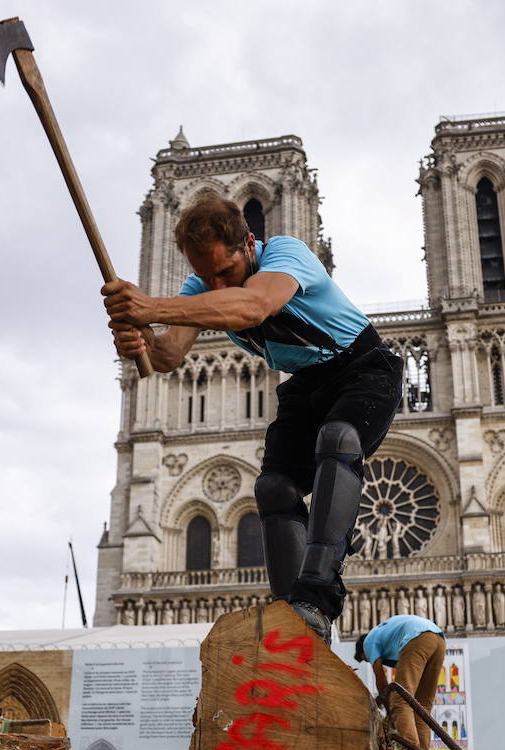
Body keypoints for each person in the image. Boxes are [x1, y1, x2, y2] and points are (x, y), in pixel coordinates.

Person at [105, 194, 403, 644]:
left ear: (248, 243)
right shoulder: (199, 288)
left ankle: (317, 597)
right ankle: (294, 618)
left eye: (225, 271)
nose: (215, 284)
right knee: (273, 486)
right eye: (206, 276)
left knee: (339, 440)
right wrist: (138, 339)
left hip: (362, 368)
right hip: (306, 382)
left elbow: (253, 307)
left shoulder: (287, 253)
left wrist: (152, 308)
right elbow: (170, 354)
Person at [354, 614, 445, 750]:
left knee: (400, 700)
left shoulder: (369, 641)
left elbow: (381, 679)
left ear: (362, 652)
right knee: (421, 707)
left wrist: (390, 710)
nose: (369, 660)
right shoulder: (388, 639)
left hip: (418, 637)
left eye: (365, 659)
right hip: (438, 639)